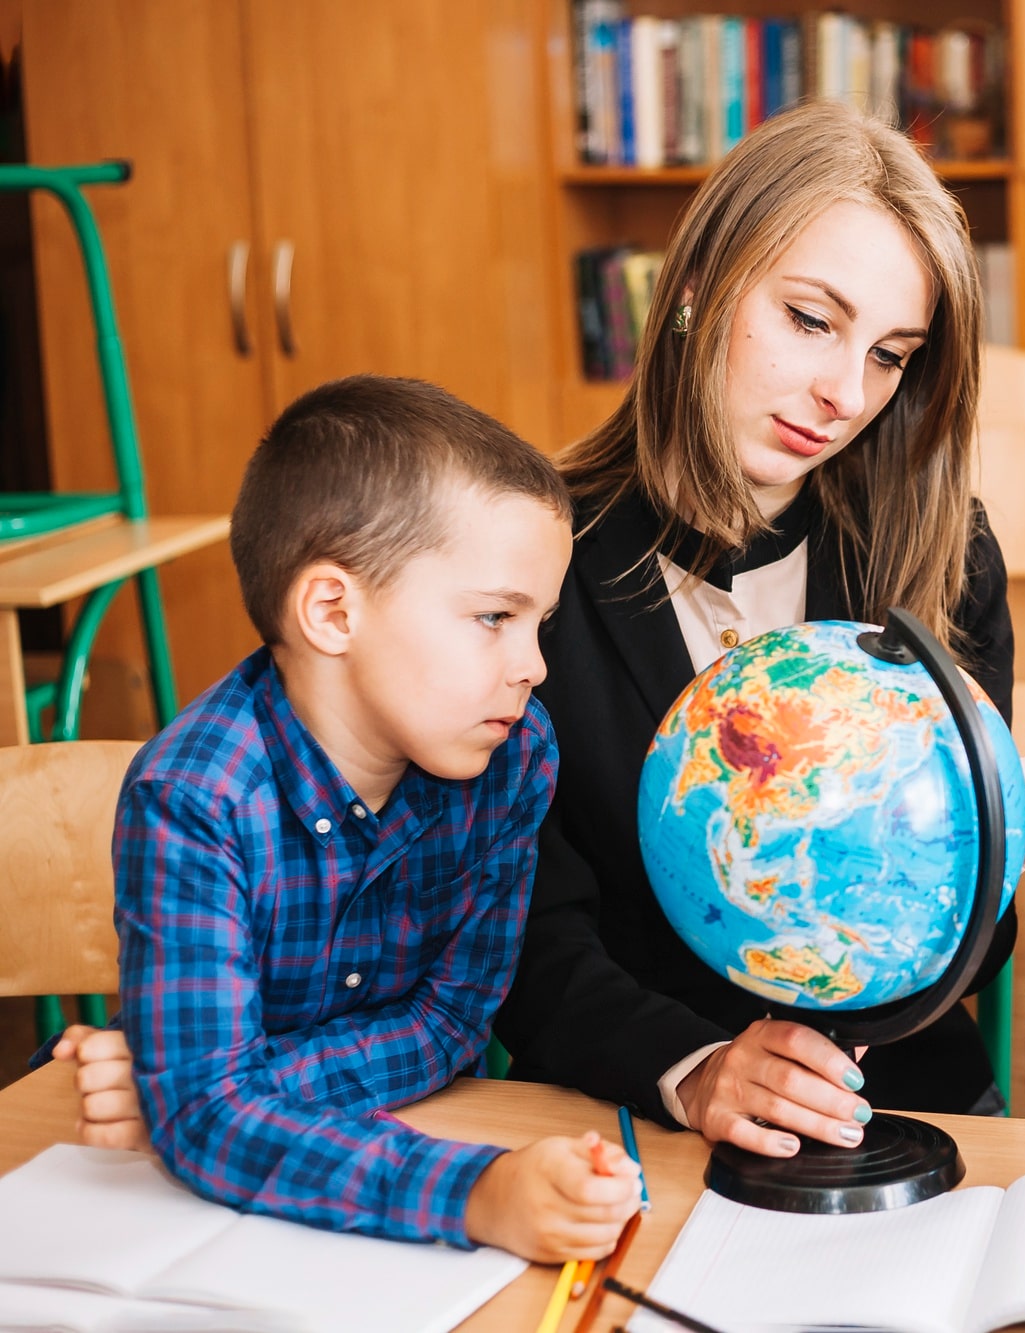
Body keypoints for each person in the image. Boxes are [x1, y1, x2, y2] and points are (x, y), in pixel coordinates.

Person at [494, 100, 1025, 1159]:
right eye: (810, 319)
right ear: (696, 287)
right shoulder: (532, 554)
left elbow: (975, 969)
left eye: (891, 354)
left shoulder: (945, 551)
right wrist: (693, 1068)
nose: (844, 394)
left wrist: (973, 869)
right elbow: (521, 935)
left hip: (895, 1114)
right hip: (624, 1115)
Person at [54, 375, 640, 1261]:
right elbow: (208, 1113)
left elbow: (449, 1022)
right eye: (493, 618)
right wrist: (475, 1192)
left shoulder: (514, 757)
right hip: (195, 1237)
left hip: (382, 1163)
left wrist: (209, 1092)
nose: (533, 667)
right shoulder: (194, 798)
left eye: (540, 623)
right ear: (333, 611)